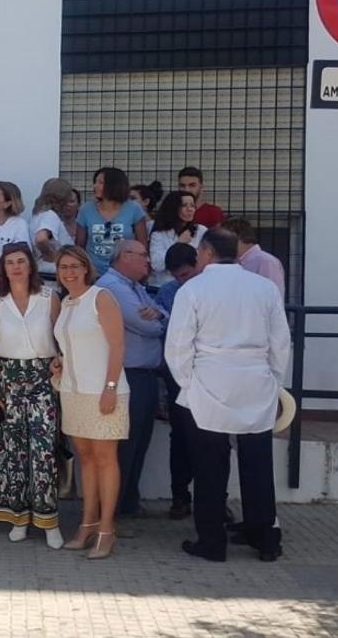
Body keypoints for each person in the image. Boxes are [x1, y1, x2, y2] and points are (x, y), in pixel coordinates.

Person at [167, 229, 289, 563]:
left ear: (205, 252)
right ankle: (265, 538)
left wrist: (188, 384)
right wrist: (274, 379)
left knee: (209, 467)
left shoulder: (193, 289)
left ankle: (212, 542)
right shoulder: (263, 288)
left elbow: (178, 346)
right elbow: (280, 340)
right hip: (256, 379)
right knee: (257, 464)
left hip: (209, 380)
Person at [53, 245, 129, 560]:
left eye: (74, 266)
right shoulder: (67, 303)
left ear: (86, 268)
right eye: (63, 267)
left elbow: (118, 345)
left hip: (104, 391)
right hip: (72, 391)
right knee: (85, 459)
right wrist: (59, 364)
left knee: (105, 459)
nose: (69, 272)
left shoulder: (101, 297)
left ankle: (107, 530)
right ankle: (87, 523)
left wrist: (110, 387)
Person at [0, 244, 63, 547]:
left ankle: (48, 519)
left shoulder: (48, 298)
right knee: (13, 454)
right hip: (8, 381)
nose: (16, 267)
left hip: (43, 381)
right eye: (10, 263)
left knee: (44, 452)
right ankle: (19, 517)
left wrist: (60, 362)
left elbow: (62, 339)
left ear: (30, 266)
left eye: (21, 261)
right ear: (3, 269)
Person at [96, 240, 166, 517]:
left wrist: (159, 314)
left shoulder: (135, 287)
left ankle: (127, 502)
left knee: (139, 442)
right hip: (128, 376)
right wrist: (159, 319)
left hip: (144, 376)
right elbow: (146, 325)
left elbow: (161, 314)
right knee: (126, 444)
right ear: (124, 257)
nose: (148, 261)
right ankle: (114, 508)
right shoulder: (113, 287)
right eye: (142, 255)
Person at [155, 242, 201, 519]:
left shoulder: (210, 288)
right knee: (181, 435)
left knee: (212, 439)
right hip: (178, 374)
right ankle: (180, 496)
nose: (181, 281)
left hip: (208, 373)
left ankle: (215, 501)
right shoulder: (167, 293)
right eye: (177, 276)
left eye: (185, 274)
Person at [77, 166, 148, 274]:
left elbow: (142, 244)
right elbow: (79, 246)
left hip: (126, 273)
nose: (95, 186)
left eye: (100, 182)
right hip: (94, 274)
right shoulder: (86, 210)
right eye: (95, 182)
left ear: (114, 185)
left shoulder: (134, 209)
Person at [148, 191, 206, 287]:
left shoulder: (201, 230)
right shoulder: (158, 234)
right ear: (173, 208)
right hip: (165, 285)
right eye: (184, 205)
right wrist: (178, 244)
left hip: (195, 284)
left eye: (192, 206)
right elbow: (157, 265)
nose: (190, 209)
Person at [222, 218, 286, 300]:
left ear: (237, 237)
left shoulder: (265, 261)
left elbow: (273, 299)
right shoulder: (235, 262)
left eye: (225, 239)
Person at [29, 178, 76, 278]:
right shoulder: (50, 216)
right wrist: (54, 257)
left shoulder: (38, 214)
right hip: (53, 272)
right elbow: (41, 239)